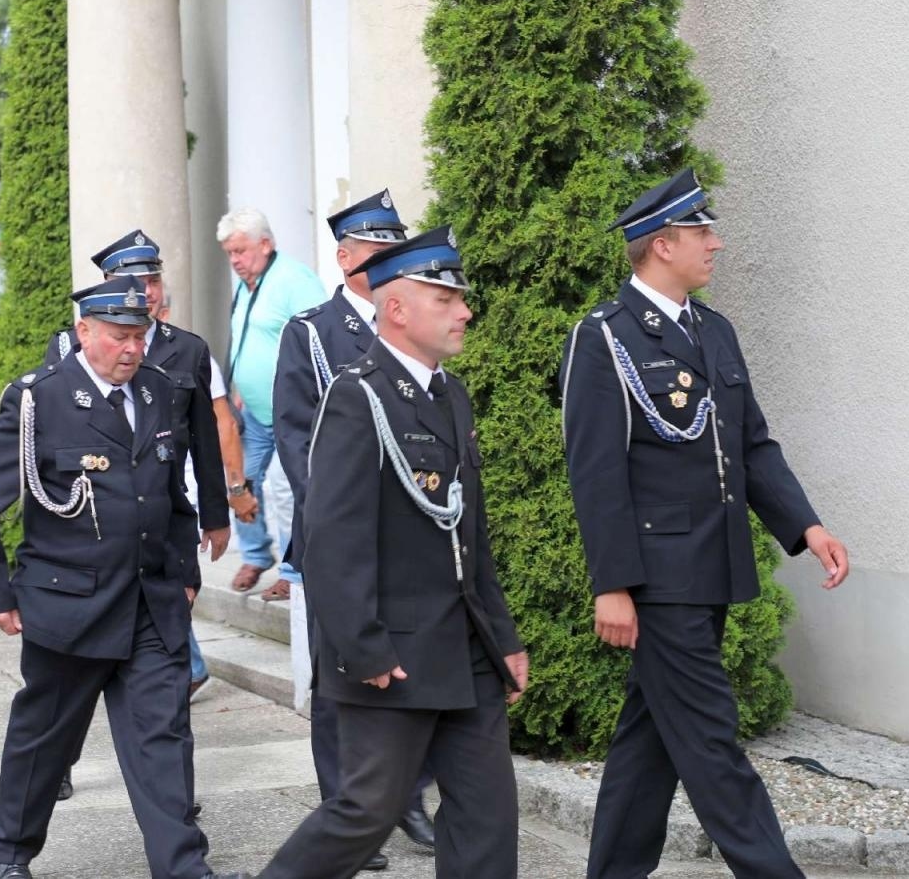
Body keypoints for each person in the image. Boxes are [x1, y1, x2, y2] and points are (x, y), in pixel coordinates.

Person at [560, 168, 850, 879]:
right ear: (663, 244)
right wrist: (613, 585)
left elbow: (751, 443)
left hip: (711, 568)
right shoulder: (606, 337)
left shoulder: (714, 332)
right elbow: (595, 472)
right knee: (713, 744)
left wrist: (806, 527)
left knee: (648, 742)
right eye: (703, 233)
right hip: (659, 582)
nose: (716, 245)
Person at [247, 226, 528, 879]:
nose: (464, 311)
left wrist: (503, 636)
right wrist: (362, 645)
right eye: (446, 300)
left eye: (461, 299)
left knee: (488, 817)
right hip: (392, 654)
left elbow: (469, 536)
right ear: (396, 309)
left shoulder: (450, 395)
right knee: (365, 812)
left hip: (464, 649)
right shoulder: (358, 395)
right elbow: (330, 535)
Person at [0, 278, 244, 879]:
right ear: (84, 331)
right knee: (46, 740)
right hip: (70, 606)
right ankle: (10, 852)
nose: (132, 349)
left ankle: (183, 869)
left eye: (140, 336)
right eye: (118, 336)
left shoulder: (160, 391)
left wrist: (185, 570)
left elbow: (172, 493)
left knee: (161, 740)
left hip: (149, 601)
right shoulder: (40, 400)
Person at [42, 230, 246, 801]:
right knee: (83, 665)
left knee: (159, 667)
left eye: (154, 280)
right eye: (134, 282)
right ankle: (58, 760)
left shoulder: (187, 350)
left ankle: (169, 788)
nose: (147, 291)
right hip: (94, 530)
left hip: (163, 519)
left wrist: (216, 511)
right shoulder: (69, 349)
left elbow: (205, 437)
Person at [271, 190, 435, 868]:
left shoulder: (413, 325)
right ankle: (348, 813)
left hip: (414, 540)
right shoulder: (311, 333)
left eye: (397, 247)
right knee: (342, 682)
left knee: (419, 671)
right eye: (377, 249)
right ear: (344, 258)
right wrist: (345, 525)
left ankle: (410, 803)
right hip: (342, 542)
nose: (392, 260)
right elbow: (297, 439)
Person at [217, 208, 327, 600]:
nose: (235, 261)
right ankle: (255, 554)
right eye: (229, 253)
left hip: (294, 412)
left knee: (283, 488)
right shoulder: (247, 284)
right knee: (239, 479)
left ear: (266, 244)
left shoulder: (295, 281)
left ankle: (291, 567)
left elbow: (322, 337)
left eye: (240, 251)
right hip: (255, 412)